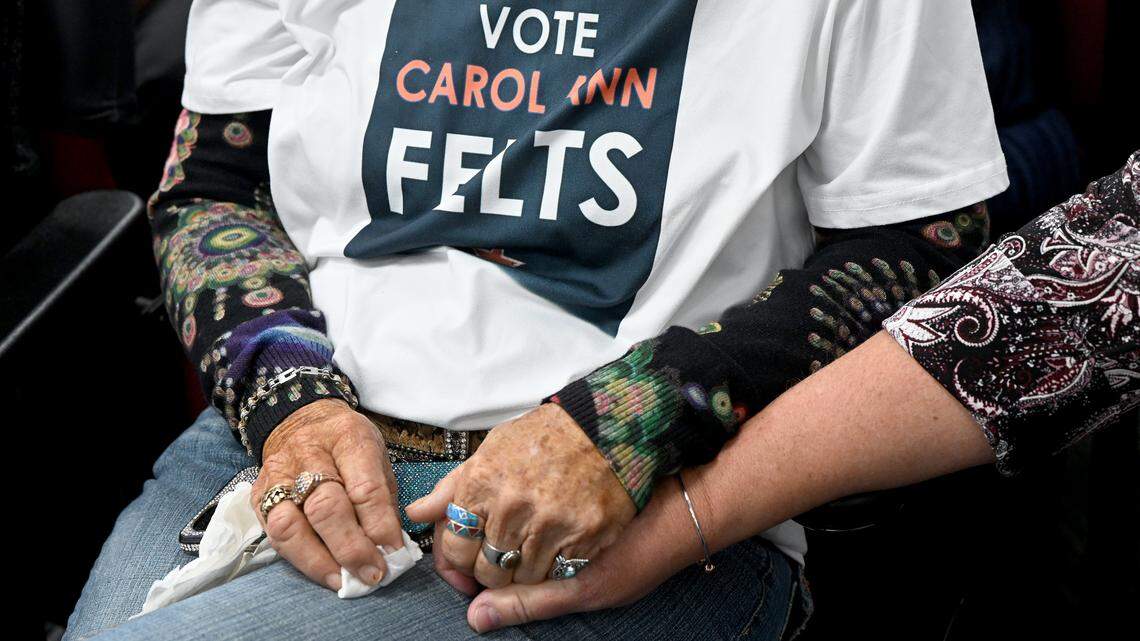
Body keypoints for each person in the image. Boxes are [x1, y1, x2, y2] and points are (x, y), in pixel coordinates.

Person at [65, 1, 1010, 639]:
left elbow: (928, 245)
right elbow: (214, 185)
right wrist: (290, 400)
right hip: (285, 436)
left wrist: (643, 412)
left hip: (651, 497)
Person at [421, 150, 1138, 633]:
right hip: (389, 448)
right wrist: (303, 393)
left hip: (668, 493)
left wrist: (633, 429)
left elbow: (1052, 302)